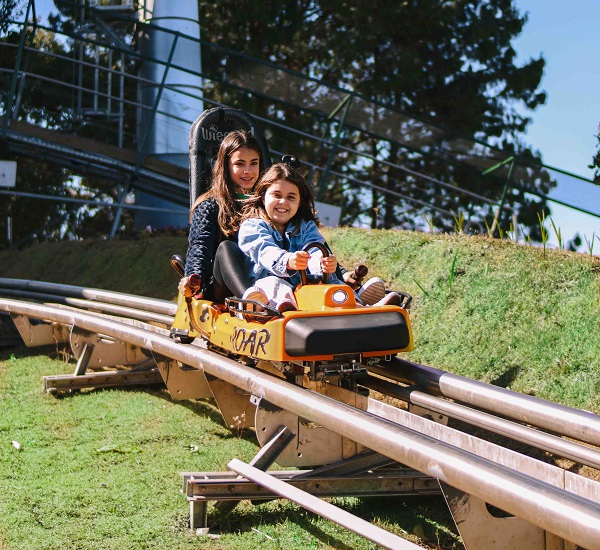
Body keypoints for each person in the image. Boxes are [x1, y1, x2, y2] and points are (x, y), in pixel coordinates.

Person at [238, 162, 402, 311]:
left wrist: (323, 264)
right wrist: (287, 260)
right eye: (276, 195)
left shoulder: (305, 227)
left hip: (302, 289)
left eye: (290, 197)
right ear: (263, 196)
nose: (283, 202)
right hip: (266, 287)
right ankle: (285, 309)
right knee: (275, 285)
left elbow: (315, 247)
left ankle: (361, 307)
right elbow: (265, 251)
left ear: (299, 202)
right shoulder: (252, 227)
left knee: (331, 284)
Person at [178, 130, 265, 302]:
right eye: (240, 164)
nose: (248, 171)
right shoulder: (211, 205)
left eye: (253, 163)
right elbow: (200, 246)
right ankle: (250, 299)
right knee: (226, 248)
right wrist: (193, 277)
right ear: (226, 166)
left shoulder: (267, 203)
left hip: (264, 277)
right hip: (222, 287)